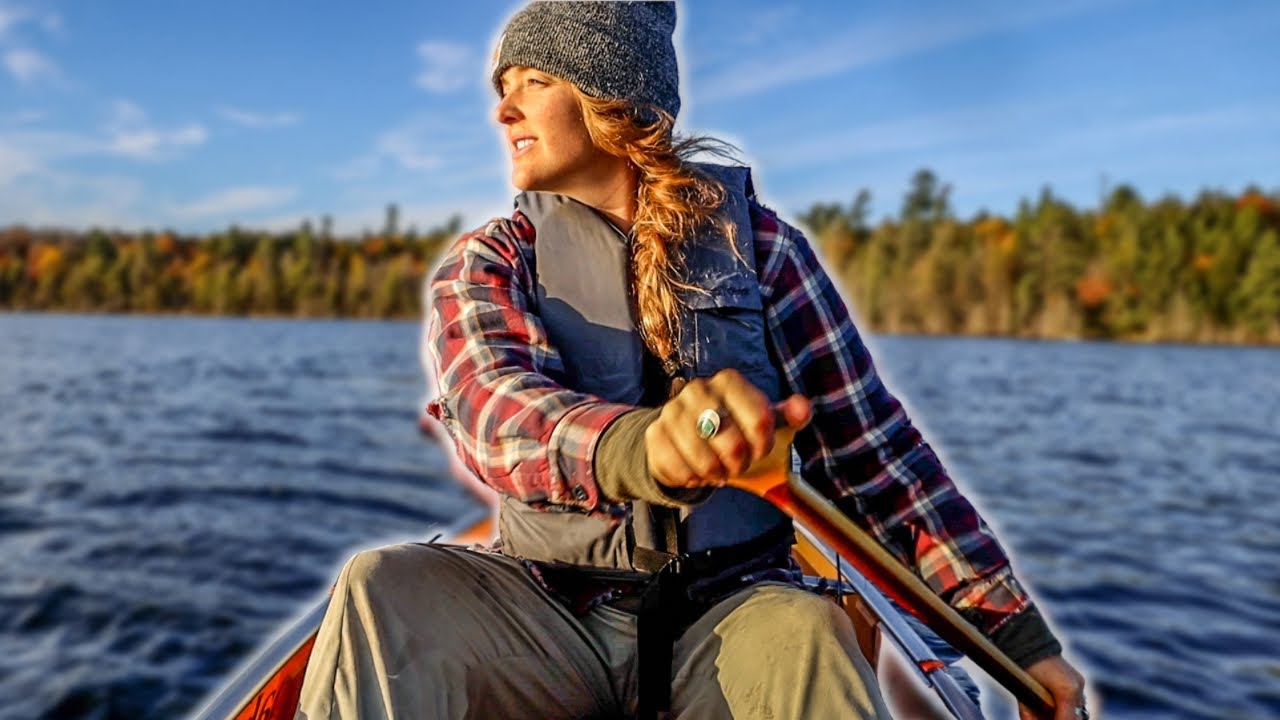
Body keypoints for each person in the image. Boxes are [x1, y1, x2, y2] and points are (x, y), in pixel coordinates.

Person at [297, 2, 1089, 719]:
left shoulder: (769, 251)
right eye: (503, 86)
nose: (503, 108)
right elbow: (490, 409)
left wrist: (1015, 637)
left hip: (729, 614)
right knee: (380, 587)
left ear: (614, 102)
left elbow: (877, 457)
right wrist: (641, 447)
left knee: (810, 631)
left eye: (533, 81)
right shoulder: (492, 260)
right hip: (546, 615)